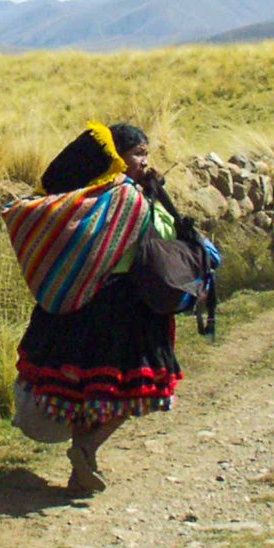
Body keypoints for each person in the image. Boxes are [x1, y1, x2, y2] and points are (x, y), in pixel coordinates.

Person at [15, 122, 182, 494]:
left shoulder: (81, 197)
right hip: (123, 309)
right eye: (138, 154)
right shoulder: (127, 198)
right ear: (117, 158)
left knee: (81, 392)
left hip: (72, 308)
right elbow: (163, 236)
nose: (145, 161)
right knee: (139, 388)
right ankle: (88, 447)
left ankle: (81, 471)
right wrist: (157, 202)